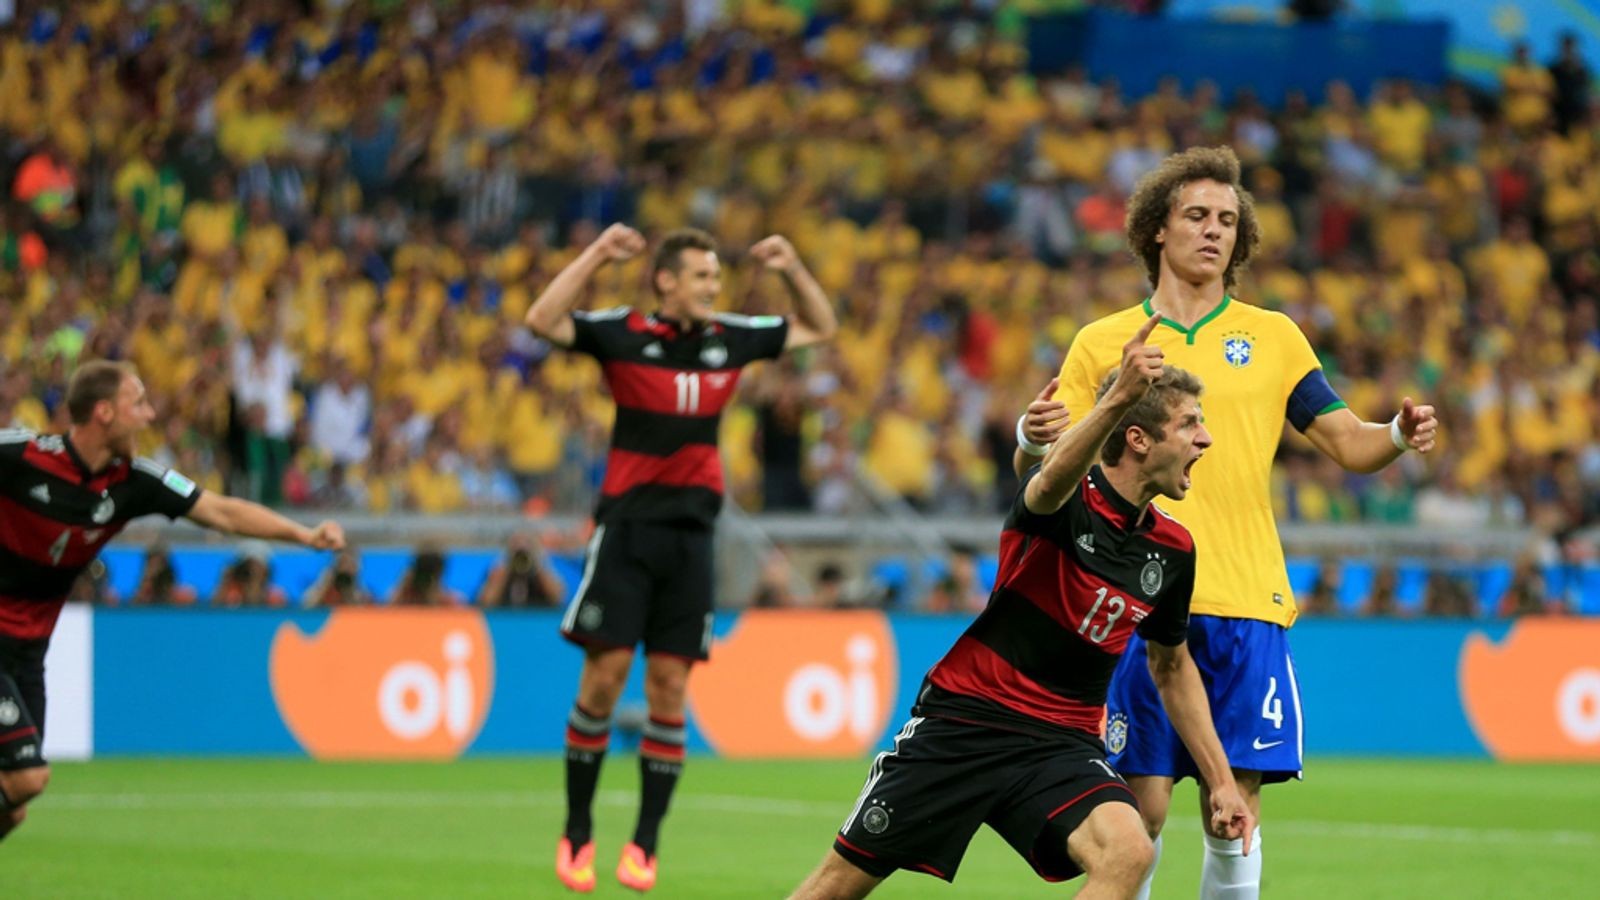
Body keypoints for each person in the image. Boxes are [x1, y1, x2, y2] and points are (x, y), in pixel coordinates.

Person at [1015, 146, 1438, 899]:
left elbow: (1347, 441)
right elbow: (1049, 474)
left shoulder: (1274, 337)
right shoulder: (1102, 343)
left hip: (1242, 599)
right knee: (1135, 814)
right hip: (1131, 601)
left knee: (1233, 810)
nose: (1214, 231)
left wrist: (1398, 434)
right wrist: (1029, 436)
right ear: (1156, 230)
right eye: (1197, 216)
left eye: (1228, 221)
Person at [792, 316, 1252, 899]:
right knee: (835, 888)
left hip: (1061, 742)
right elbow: (1047, 478)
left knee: (1130, 849)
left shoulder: (1174, 547)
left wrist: (1219, 782)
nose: (1205, 439)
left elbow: (1172, 666)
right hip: (967, 722)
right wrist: (1116, 400)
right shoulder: (1063, 503)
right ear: (1139, 438)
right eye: (1190, 424)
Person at [524, 223, 836, 893]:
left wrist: (790, 267)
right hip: (627, 533)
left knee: (669, 688)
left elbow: (820, 325)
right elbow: (542, 319)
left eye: (716, 279)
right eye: (701, 277)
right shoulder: (622, 333)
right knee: (603, 681)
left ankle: (645, 841)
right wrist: (597, 255)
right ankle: (577, 831)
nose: (712, 288)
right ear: (666, 280)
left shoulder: (733, 337)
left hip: (693, 540)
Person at [0, 360, 343, 841]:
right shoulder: (21, 455)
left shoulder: (135, 482)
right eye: (137, 403)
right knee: (27, 776)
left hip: (28, 654)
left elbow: (221, 510)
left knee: (12, 807)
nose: (150, 414)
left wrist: (303, 535)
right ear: (103, 413)